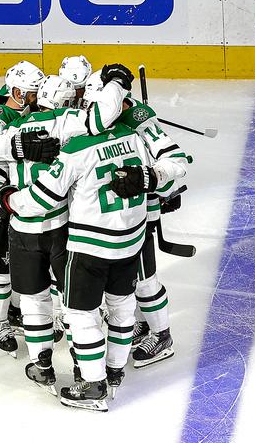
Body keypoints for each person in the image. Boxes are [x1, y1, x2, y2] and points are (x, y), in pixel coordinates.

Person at [0, 65, 185, 412]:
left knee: (97, 307)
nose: (82, 99)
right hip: (131, 230)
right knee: (123, 299)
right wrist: (157, 179)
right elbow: (172, 166)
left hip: (95, 240)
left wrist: (155, 178)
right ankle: (114, 370)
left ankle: (147, 345)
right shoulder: (129, 134)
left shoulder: (127, 125)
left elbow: (175, 162)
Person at [0, 61, 60, 355]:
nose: (37, 98)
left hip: (21, 197)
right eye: (33, 93)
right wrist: (19, 146)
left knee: (24, 261)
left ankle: (16, 310)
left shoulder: (28, 109)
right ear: (17, 92)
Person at [102, 86, 193, 369]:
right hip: (118, 218)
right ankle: (142, 325)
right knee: (127, 280)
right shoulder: (102, 121)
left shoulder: (141, 121)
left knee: (144, 279)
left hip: (139, 216)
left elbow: (173, 162)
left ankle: (162, 336)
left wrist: (158, 184)